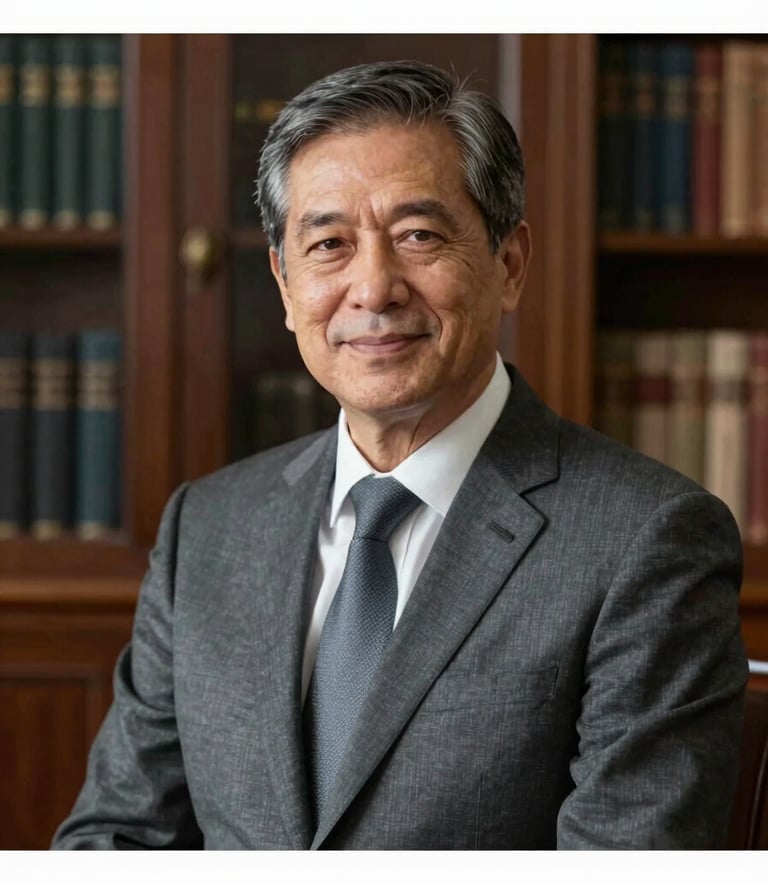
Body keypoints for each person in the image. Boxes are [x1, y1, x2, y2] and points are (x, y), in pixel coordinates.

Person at [52, 59, 747, 850]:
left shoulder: (646, 541)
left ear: (509, 265)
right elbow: (116, 842)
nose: (373, 288)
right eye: (329, 244)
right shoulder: (206, 531)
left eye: (418, 236)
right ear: (284, 284)